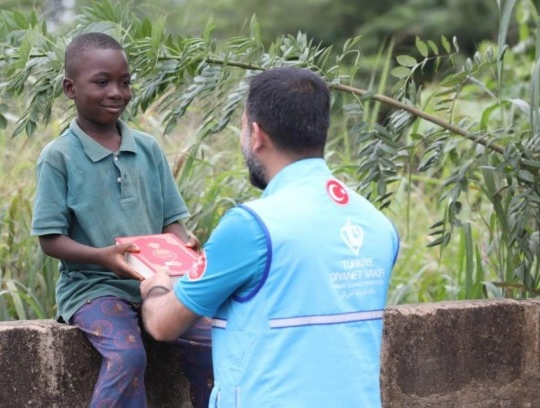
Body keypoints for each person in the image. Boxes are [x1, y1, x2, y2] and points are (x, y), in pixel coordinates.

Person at [140, 66, 400, 407]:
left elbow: (163, 324)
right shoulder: (378, 225)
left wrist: (156, 287)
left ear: (257, 134)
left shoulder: (250, 227)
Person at [30, 32, 213, 408]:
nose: (117, 92)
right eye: (102, 82)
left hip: (158, 283)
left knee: (214, 342)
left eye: (125, 82)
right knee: (128, 356)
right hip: (94, 288)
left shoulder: (147, 148)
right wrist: (104, 257)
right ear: (70, 88)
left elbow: (171, 222)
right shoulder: (59, 157)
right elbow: (50, 240)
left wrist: (185, 250)